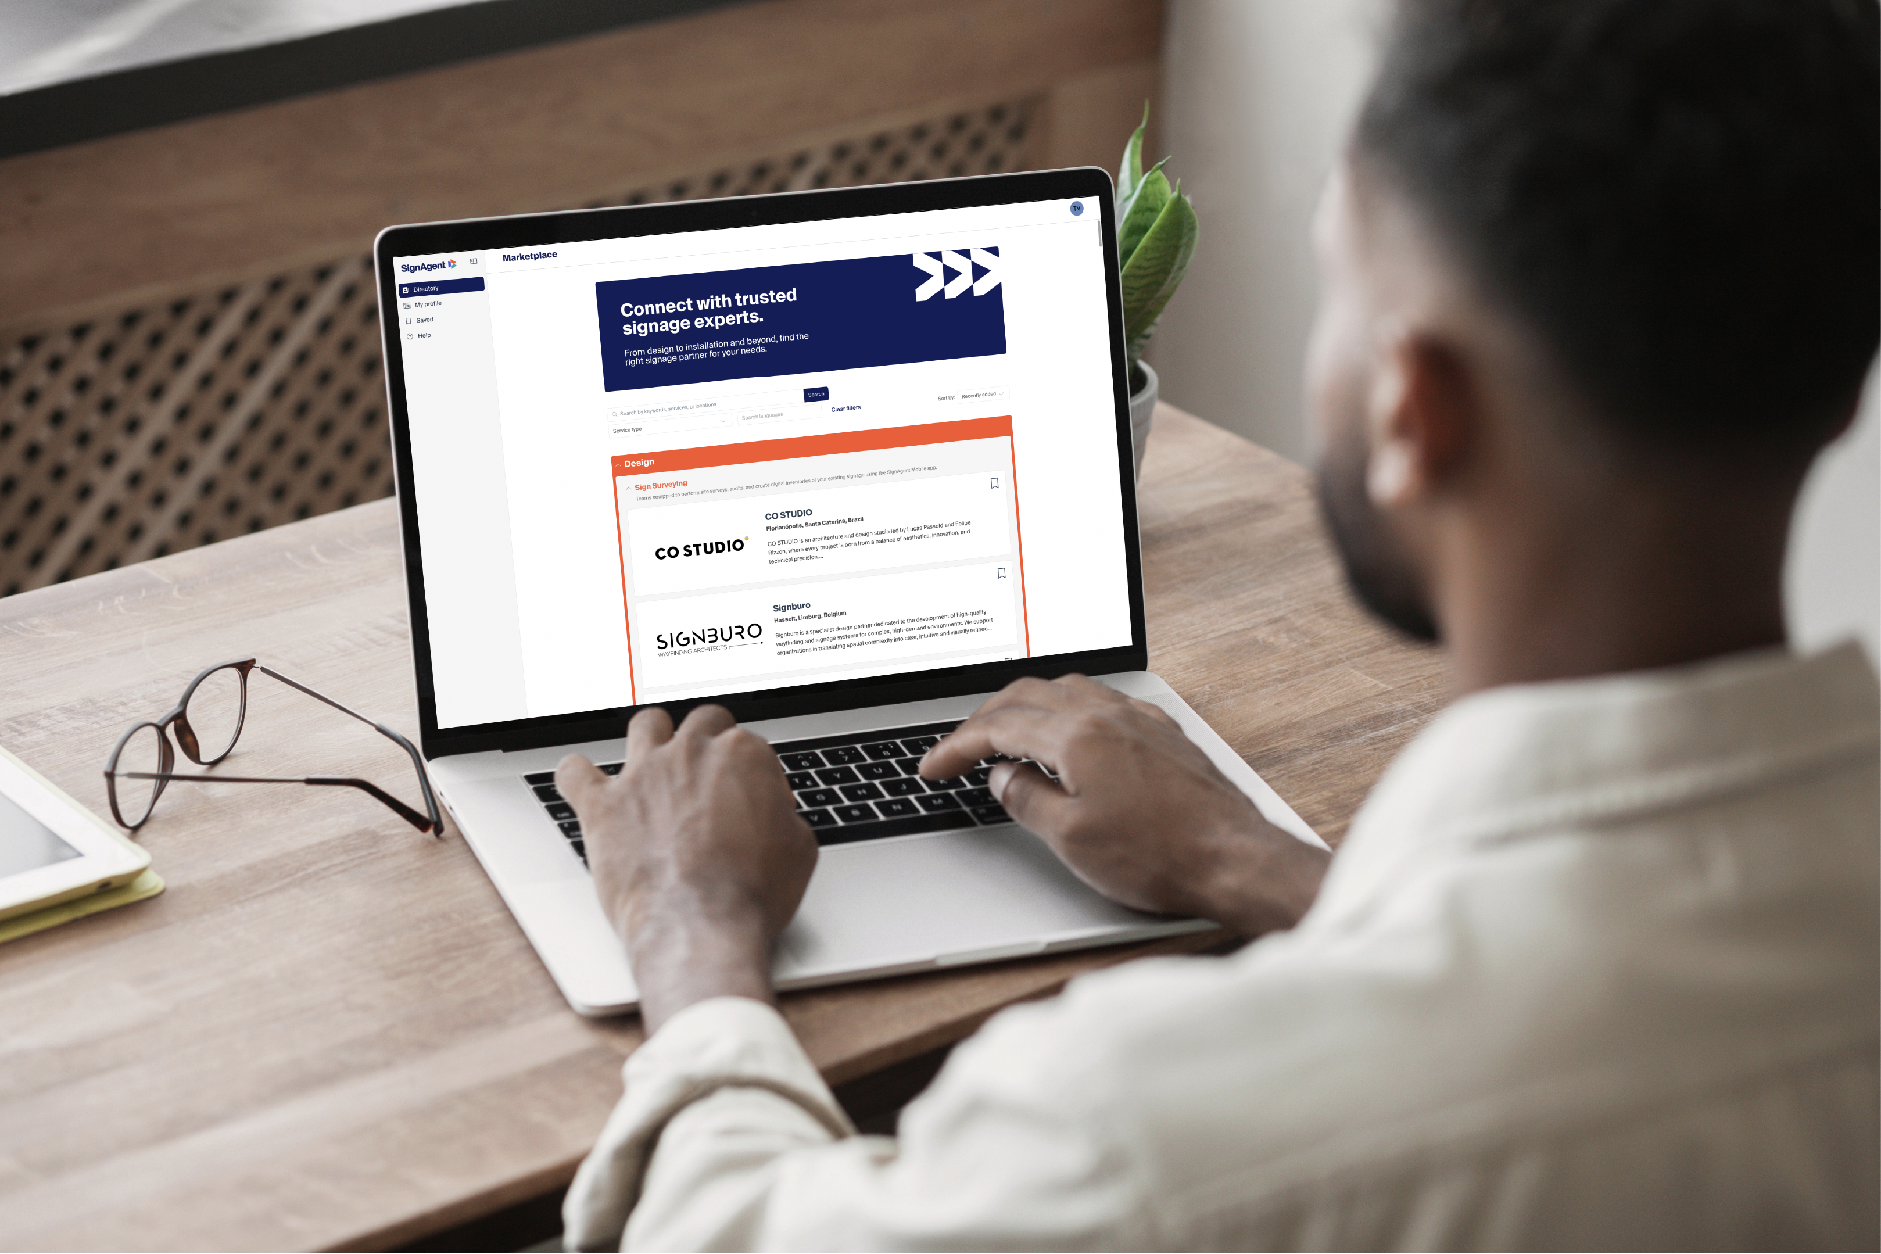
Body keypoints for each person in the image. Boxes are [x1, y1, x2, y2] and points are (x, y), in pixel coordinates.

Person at [557, 1, 1881, 1247]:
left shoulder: (1143, 1125)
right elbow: (1609, 1004)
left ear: (1416, 409)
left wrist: (692, 938)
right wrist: (1263, 868)